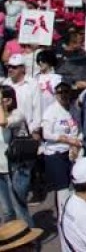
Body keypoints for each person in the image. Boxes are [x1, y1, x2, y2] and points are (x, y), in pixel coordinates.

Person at [41, 79, 81, 215]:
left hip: (70, 152)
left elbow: (78, 130)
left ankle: (70, 212)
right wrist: (64, 138)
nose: (64, 95)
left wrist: (76, 144)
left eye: (66, 92)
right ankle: (63, 217)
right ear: (55, 94)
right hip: (55, 153)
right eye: (60, 92)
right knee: (62, 188)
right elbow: (45, 134)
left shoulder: (73, 109)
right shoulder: (50, 111)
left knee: (72, 186)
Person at [0, 86, 31, 226]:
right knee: (7, 212)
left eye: (2, 99)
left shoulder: (17, 114)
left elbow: (3, 122)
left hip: (15, 169)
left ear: (10, 100)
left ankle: (31, 243)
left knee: (20, 209)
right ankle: (14, 244)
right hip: (0, 169)